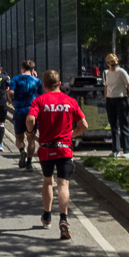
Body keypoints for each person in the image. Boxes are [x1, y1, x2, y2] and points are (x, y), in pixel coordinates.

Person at [26, 70, 88, 239]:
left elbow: (30, 119)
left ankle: (47, 216)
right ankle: (64, 219)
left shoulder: (39, 101)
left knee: (48, 181)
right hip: (64, 148)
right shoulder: (70, 101)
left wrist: (30, 132)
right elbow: (84, 125)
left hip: (46, 149)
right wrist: (71, 135)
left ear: (44, 86)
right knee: (63, 184)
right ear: (60, 84)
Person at [8, 60, 44, 170]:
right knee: (31, 138)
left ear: (22, 68)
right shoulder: (36, 81)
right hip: (32, 111)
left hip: (19, 110)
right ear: (33, 70)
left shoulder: (15, 79)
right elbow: (40, 95)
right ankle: (29, 162)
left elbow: (11, 92)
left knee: (19, 137)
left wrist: (12, 101)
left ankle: (22, 150)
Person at [103, 53, 129, 158]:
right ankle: (115, 150)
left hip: (121, 99)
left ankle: (128, 151)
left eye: (116, 64)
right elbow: (106, 86)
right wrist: (106, 98)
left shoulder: (121, 72)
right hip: (110, 99)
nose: (114, 66)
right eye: (112, 64)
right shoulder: (106, 73)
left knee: (124, 124)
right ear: (108, 64)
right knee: (113, 126)